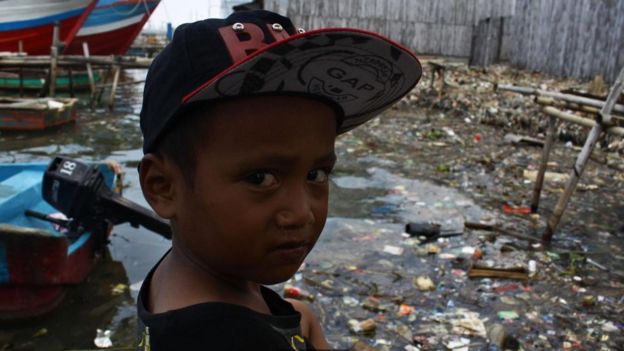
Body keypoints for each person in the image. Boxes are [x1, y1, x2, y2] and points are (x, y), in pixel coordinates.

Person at [136, 9, 422, 351]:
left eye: (316, 174)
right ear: (162, 187)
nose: (302, 213)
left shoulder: (191, 279)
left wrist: (300, 321)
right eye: (260, 178)